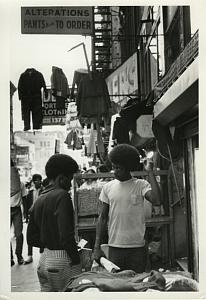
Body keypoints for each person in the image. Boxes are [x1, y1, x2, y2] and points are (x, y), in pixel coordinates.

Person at [93, 144, 161, 273]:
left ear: (128, 168)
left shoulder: (141, 185)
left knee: (138, 284)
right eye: (113, 167)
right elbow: (102, 218)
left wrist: (150, 172)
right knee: (118, 285)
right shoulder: (107, 187)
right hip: (115, 247)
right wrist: (97, 247)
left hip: (138, 248)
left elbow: (157, 200)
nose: (115, 171)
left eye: (118, 168)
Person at [27, 154, 81, 292]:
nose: (70, 184)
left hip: (44, 260)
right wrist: (76, 260)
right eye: (69, 179)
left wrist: (48, 242)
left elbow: (31, 238)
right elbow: (66, 236)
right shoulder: (62, 196)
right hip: (62, 260)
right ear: (61, 178)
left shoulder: (40, 198)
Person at [10, 160, 27, 266]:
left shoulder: (20, 184)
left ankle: (19, 255)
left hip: (16, 210)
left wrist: (25, 212)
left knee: (19, 234)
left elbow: (24, 198)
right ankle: (10, 258)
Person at [24, 174, 43, 264]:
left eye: (39, 180)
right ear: (33, 181)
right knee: (30, 235)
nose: (38, 182)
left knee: (42, 234)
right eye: (36, 180)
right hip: (32, 216)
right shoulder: (30, 192)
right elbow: (27, 204)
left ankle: (42, 254)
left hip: (41, 216)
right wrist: (26, 216)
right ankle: (30, 255)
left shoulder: (43, 191)